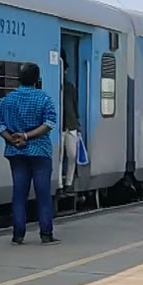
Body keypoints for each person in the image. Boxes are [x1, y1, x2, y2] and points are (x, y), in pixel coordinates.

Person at [0, 62, 60, 244]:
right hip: (40, 152)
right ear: (37, 80)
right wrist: (27, 136)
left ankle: (18, 234)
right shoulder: (44, 99)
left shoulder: (7, 100)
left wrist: (12, 138)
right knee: (43, 194)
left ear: (19, 79)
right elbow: (50, 123)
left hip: (16, 152)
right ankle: (46, 234)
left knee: (19, 194)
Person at [59, 55, 81, 194]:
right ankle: (60, 184)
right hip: (59, 127)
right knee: (60, 156)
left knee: (72, 155)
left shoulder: (70, 87)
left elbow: (74, 106)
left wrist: (78, 126)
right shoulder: (57, 86)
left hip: (70, 126)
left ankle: (69, 181)